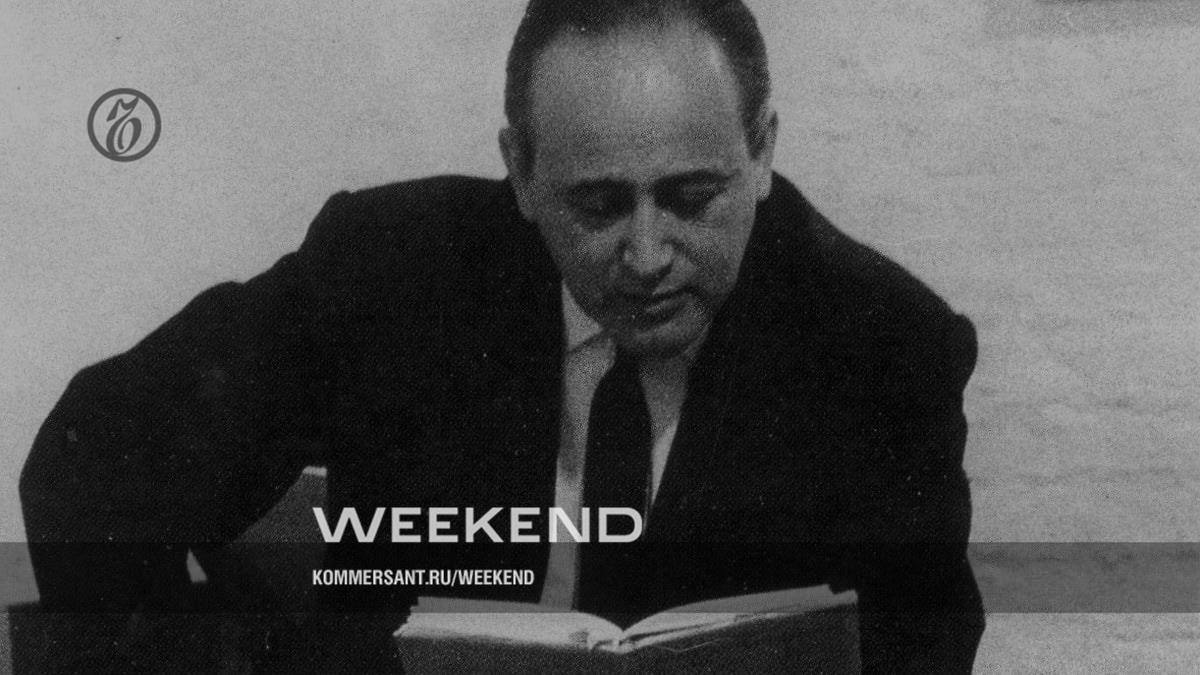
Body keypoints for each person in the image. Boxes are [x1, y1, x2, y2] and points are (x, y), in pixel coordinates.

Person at [21, 0, 984, 671]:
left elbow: (922, 647)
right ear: (520, 171)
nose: (647, 255)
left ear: (762, 151)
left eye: (693, 198)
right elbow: (91, 455)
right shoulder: (391, 271)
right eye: (597, 205)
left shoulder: (882, 345)